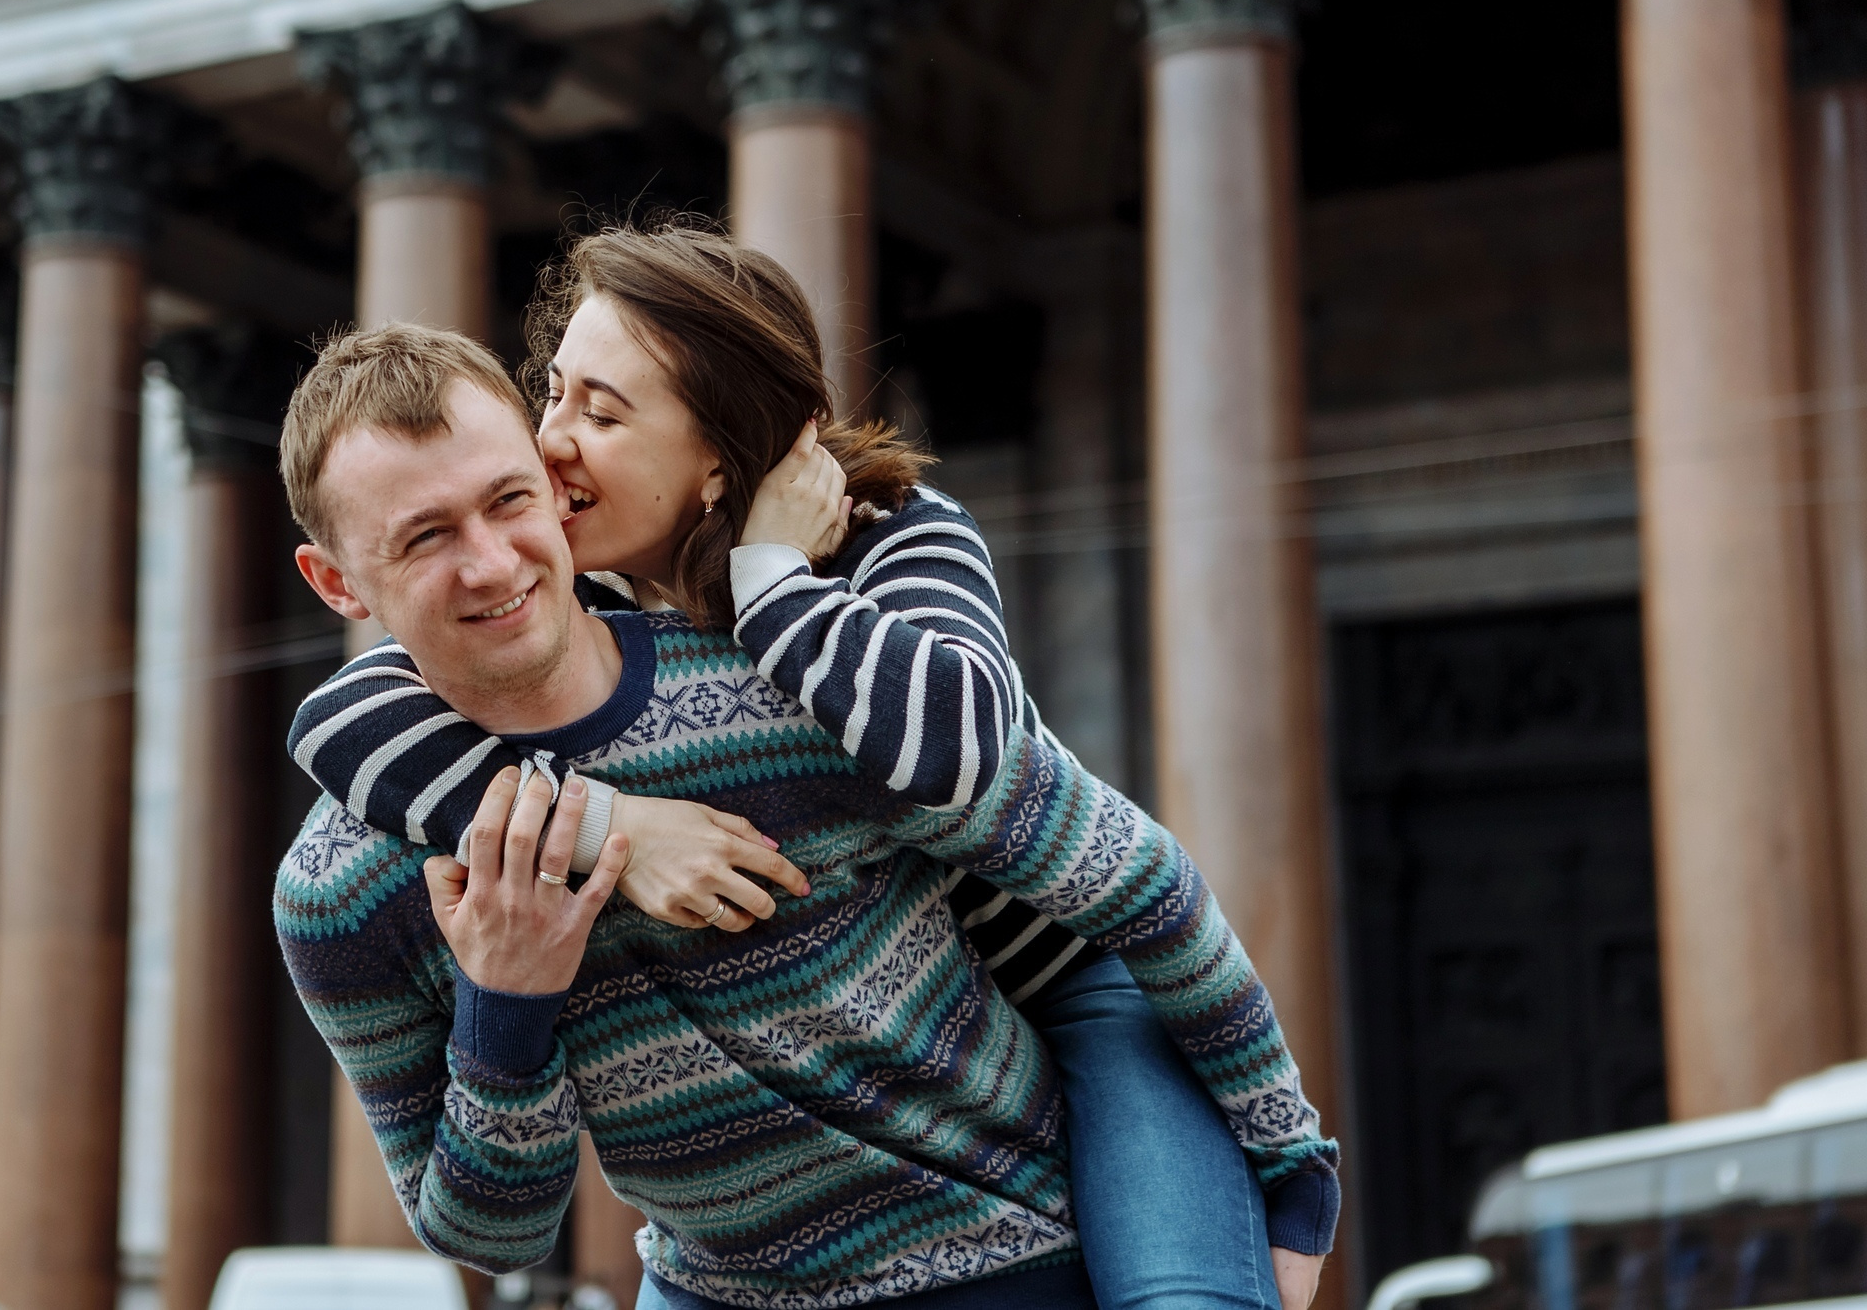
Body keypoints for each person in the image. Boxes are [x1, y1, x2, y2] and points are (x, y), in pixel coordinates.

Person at [272, 318, 1340, 1310]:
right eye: (424, 539)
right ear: (336, 584)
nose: (492, 561)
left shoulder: (810, 684)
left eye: (509, 501)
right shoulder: (338, 892)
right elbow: (492, 1233)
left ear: (555, 491)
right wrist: (506, 1004)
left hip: (1011, 1261)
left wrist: (1291, 1157)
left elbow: (1137, 880)